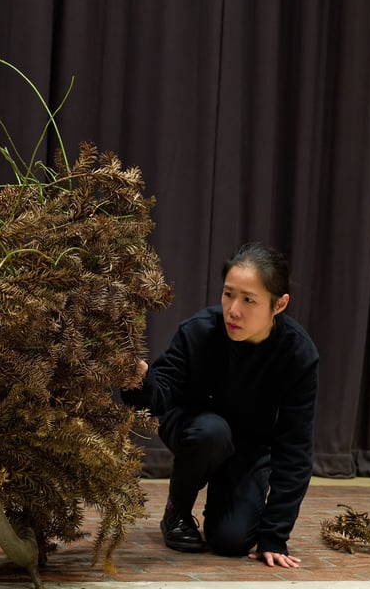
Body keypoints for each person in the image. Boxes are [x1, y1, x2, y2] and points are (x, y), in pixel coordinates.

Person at [122, 242, 318, 568]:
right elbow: (158, 396)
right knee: (212, 431)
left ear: (279, 304)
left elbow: (295, 448)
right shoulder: (199, 331)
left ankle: (226, 499)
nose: (233, 310)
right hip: (194, 427)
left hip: (248, 447)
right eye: (228, 294)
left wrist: (274, 535)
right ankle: (177, 513)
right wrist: (138, 380)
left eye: (248, 299)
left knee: (231, 541)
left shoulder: (297, 354)